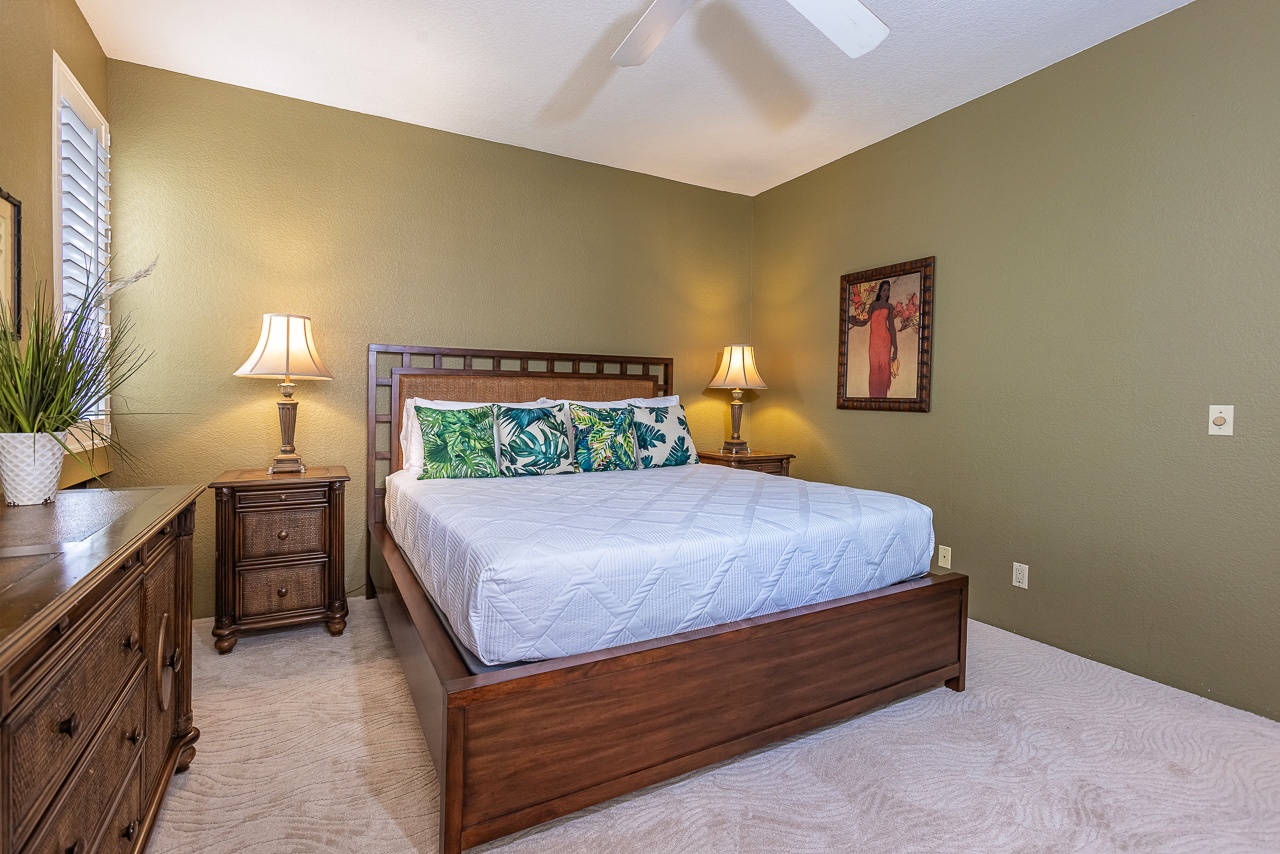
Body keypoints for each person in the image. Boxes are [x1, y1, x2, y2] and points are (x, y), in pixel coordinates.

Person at [849, 280, 898, 397]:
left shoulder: (890, 307)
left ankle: (883, 397)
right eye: (884, 290)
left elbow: (892, 327)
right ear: (880, 291)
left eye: (888, 290)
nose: (886, 292)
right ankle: (874, 397)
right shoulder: (873, 305)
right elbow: (864, 321)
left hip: (886, 340)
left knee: (884, 368)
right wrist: (852, 320)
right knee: (874, 368)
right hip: (874, 340)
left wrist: (895, 348)